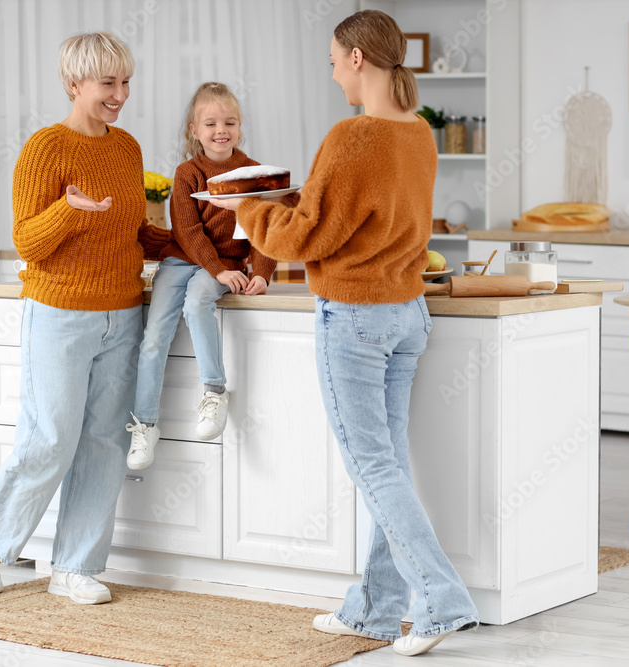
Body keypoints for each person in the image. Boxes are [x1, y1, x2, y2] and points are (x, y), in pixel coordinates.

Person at [209, 10, 479, 657]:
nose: (333, 75)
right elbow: (355, 210)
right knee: (386, 466)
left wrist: (245, 207)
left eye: (334, 62)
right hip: (407, 313)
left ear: (358, 58)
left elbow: (307, 234)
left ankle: (442, 601)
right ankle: (377, 610)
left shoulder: (352, 135)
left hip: (355, 317)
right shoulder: (418, 133)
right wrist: (283, 200)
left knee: (374, 467)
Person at [0, 32, 170, 605]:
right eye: (107, 84)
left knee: (103, 444)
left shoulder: (127, 150)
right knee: (49, 439)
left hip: (123, 312)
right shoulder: (46, 148)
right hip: (60, 312)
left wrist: (198, 241)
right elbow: (26, 241)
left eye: (125, 82)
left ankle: (75, 566)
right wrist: (68, 211)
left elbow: (134, 233)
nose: (120, 94)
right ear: (74, 84)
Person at [125, 82, 276, 469]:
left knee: (196, 306)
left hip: (223, 265)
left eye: (229, 122)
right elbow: (188, 233)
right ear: (195, 131)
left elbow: (264, 227)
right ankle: (145, 424)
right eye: (210, 123)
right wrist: (219, 270)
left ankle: (215, 392)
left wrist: (260, 272)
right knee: (154, 338)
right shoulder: (187, 173)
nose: (220, 130)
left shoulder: (255, 173)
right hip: (185, 260)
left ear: (240, 126)